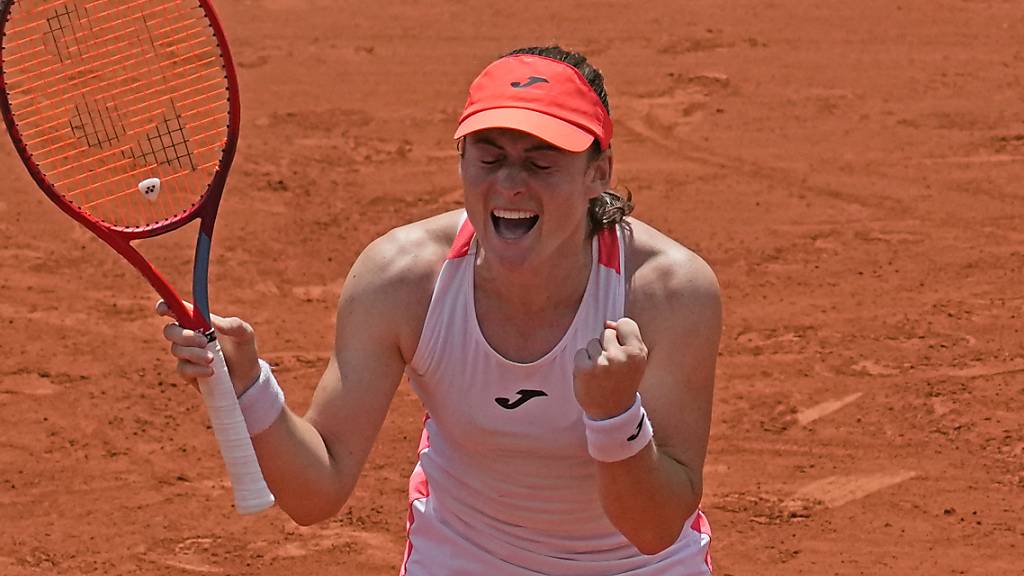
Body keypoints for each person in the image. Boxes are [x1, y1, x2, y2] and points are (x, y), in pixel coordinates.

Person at [160, 45, 721, 575]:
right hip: (463, 556)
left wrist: (614, 415)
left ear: (599, 172)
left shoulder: (667, 292)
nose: (509, 183)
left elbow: (654, 528)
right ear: (462, 158)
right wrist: (249, 385)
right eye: (489, 155)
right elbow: (317, 491)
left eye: (540, 162)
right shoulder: (402, 281)